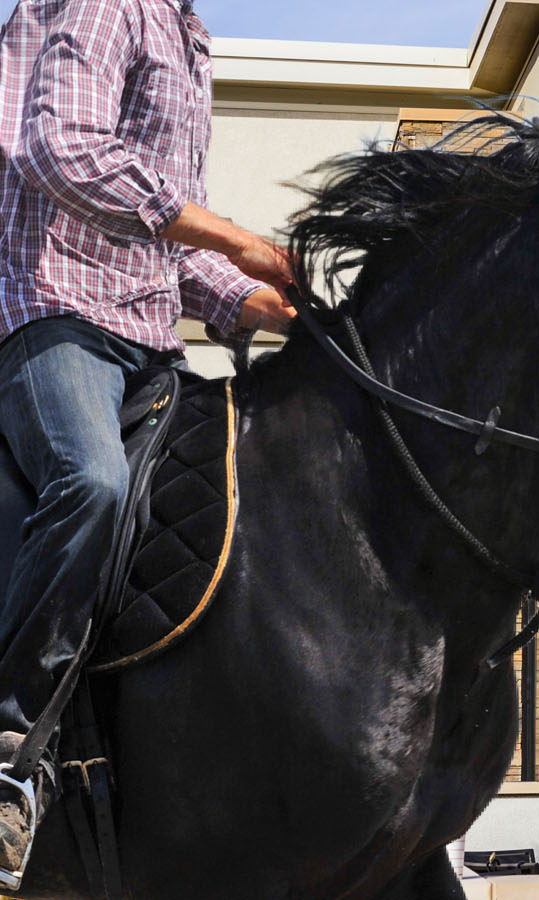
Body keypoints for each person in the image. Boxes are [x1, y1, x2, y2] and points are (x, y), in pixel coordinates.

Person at [0, 0, 297, 884]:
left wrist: (248, 299)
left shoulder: (188, 36)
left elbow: (159, 243)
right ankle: (11, 748)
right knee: (91, 482)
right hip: (55, 318)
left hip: (150, 340)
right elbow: (62, 150)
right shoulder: (106, 3)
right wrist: (232, 235)